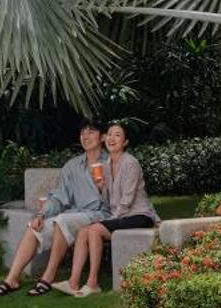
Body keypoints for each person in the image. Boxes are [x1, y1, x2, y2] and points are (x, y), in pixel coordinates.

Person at [0, 119, 106, 297]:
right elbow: (59, 197)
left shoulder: (111, 162)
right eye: (83, 132)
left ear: (102, 137)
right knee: (35, 226)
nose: (85, 136)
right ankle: (11, 279)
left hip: (100, 215)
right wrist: (41, 214)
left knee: (61, 220)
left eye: (91, 131)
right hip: (74, 216)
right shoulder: (72, 166)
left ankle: (48, 277)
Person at [68, 121, 159, 294]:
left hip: (139, 215)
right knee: (82, 232)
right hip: (121, 215)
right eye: (109, 134)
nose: (112, 138)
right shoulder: (106, 165)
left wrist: (110, 220)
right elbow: (109, 201)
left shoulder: (130, 163)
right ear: (104, 138)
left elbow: (127, 200)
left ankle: (93, 282)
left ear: (125, 142)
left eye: (118, 135)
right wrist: (101, 186)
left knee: (94, 230)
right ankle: (72, 282)